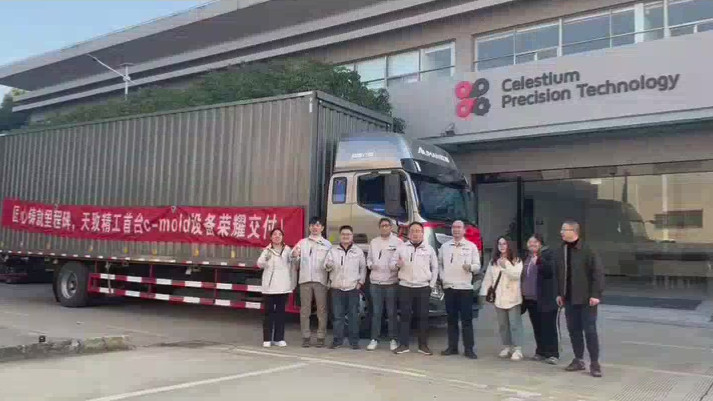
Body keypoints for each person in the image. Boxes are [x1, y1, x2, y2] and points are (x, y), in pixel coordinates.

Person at [556, 220, 605, 378]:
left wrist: (596, 294)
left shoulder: (587, 250)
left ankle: (595, 363)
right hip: (569, 298)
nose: (561, 232)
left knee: (590, 330)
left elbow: (597, 273)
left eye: (564, 229)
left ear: (574, 231)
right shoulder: (562, 249)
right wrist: (559, 294)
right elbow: (560, 273)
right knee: (573, 330)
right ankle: (578, 359)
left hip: (586, 299)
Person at [390, 222, 439, 355]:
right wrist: (397, 265)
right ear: (409, 233)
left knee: (422, 317)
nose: (415, 233)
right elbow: (391, 264)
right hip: (405, 287)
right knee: (405, 317)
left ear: (422, 233)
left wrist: (431, 285)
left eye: (418, 231)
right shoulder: (402, 248)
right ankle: (403, 345)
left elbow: (435, 268)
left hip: (423, 287)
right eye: (413, 231)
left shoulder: (429, 249)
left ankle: (423, 345)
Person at [438, 220, 481, 359]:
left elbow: (477, 266)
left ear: (464, 230)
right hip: (449, 287)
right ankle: (452, 347)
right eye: (454, 227)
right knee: (451, 319)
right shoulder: (444, 247)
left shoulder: (471, 246)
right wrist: (443, 278)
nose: (456, 230)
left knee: (466, 320)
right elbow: (440, 264)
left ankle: (469, 349)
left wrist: (471, 267)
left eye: (459, 227)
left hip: (465, 288)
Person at [480, 236, 524, 361]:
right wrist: (483, 293)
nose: (502, 246)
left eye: (504, 243)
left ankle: (517, 348)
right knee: (503, 325)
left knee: (514, 324)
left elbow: (516, 276)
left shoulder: (516, 260)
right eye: (500, 244)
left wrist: (506, 266)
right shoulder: (493, 261)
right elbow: (488, 278)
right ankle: (507, 346)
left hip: (513, 297)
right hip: (499, 297)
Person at [325, 225, 367, 349]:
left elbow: (363, 268)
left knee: (353, 316)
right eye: (343, 234)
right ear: (340, 236)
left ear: (352, 236)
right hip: (337, 288)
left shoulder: (358, 251)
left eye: (348, 234)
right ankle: (337, 341)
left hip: (352, 288)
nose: (345, 236)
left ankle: (354, 342)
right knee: (338, 317)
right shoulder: (333, 250)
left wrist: (360, 283)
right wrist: (328, 265)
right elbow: (326, 266)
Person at [292, 217, 332, 348]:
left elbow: (331, 264)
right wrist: (295, 256)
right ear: (309, 227)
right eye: (313, 225)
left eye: (318, 225)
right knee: (305, 310)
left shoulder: (327, 245)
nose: (315, 227)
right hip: (305, 280)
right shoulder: (302, 243)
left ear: (322, 228)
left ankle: (321, 337)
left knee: (322, 310)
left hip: (321, 281)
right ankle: (306, 337)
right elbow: (295, 261)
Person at [520, 234, 559, 364]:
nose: (532, 244)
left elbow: (550, 271)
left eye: (535, 242)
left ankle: (553, 353)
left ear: (541, 243)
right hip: (530, 298)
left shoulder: (548, 255)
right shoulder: (526, 257)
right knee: (537, 326)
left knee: (548, 326)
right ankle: (540, 351)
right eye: (530, 242)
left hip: (545, 298)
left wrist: (539, 260)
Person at [366, 218, 403, 351]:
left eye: (387, 225)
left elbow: (401, 260)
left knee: (392, 312)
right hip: (375, 282)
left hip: (391, 282)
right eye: (382, 226)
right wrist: (371, 265)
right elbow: (369, 259)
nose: (384, 228)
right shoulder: (374, 242)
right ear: (379, 227)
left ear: (391, 227)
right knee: (376, 312)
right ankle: (374, 339)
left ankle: (393, 339)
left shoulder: (398, 242)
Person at [257, 228, 296, 348]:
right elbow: (259, 264)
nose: (277, 236)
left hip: (283, 287)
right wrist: (265, 258)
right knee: (268, 314)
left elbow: (294, 260)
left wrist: (296, 255)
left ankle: (279, 338)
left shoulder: (288, 250)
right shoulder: (267, 250)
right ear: (271, 237)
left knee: (280, 314)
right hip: (269, 288)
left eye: (279, 234)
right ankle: (267, 339)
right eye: (274, 234)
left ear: (283, 237)